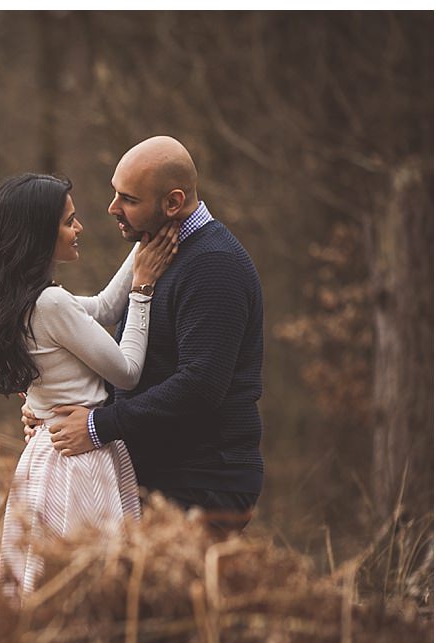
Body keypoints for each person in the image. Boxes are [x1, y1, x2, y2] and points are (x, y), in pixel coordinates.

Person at [27, 137, 265, 535]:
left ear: (172, 203)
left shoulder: (214, 267)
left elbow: (200, 385)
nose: (112, 209)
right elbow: (146, 362)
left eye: (129, 199)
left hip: (203, 482)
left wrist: (96, 426)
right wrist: (55, 405)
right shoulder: (157, 248)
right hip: (158, 473)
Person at [0, 173, 178, 604]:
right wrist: (142, 289)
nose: (79, 228)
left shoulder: (21, 299)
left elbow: (101, 307)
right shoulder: (51, 303)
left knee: (51, 586)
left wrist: (144, 244)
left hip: (47, 455)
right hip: (81, 459)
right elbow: (128, 372)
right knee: (94, 589)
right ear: (39, 234)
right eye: (69, 221)